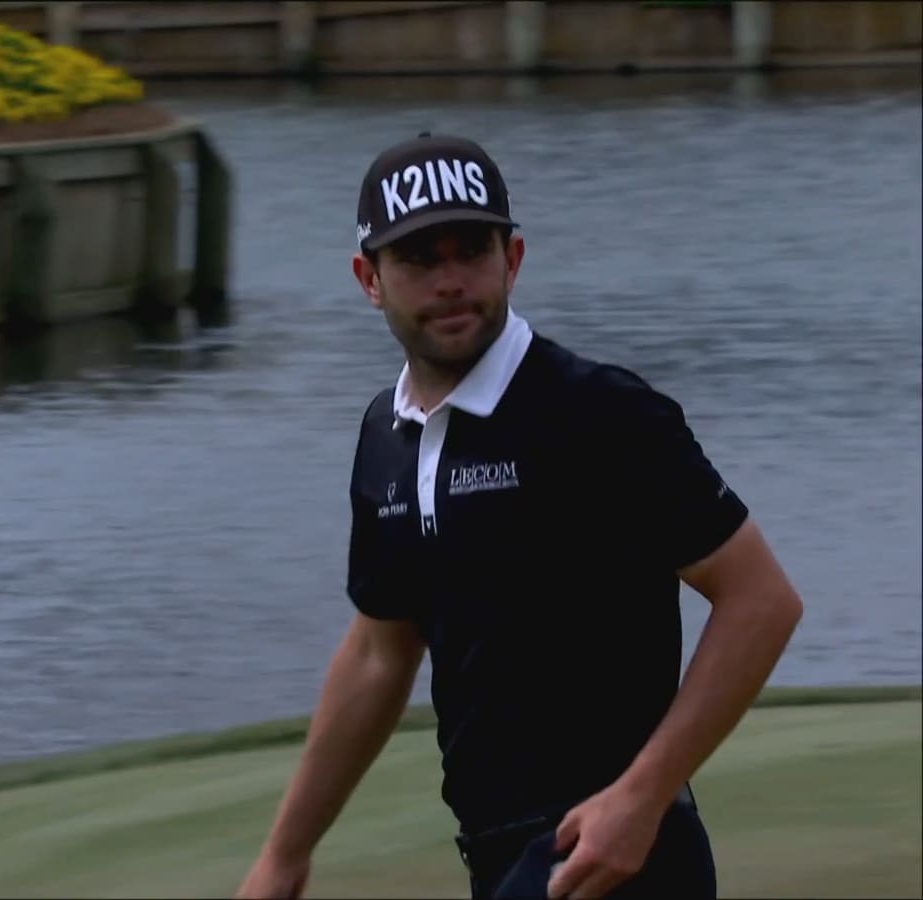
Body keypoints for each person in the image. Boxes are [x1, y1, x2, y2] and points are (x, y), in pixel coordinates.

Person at [236, 133, 805, 900]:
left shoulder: (598, 412)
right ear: (369, 278)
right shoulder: (384, 438)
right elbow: (380, 652)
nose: (449, 281)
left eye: (470, 250)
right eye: (417, 259)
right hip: (497, 856)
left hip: (621, 854)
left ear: (514, 258)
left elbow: (760, 600)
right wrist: (283, 857)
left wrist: (640, 797)